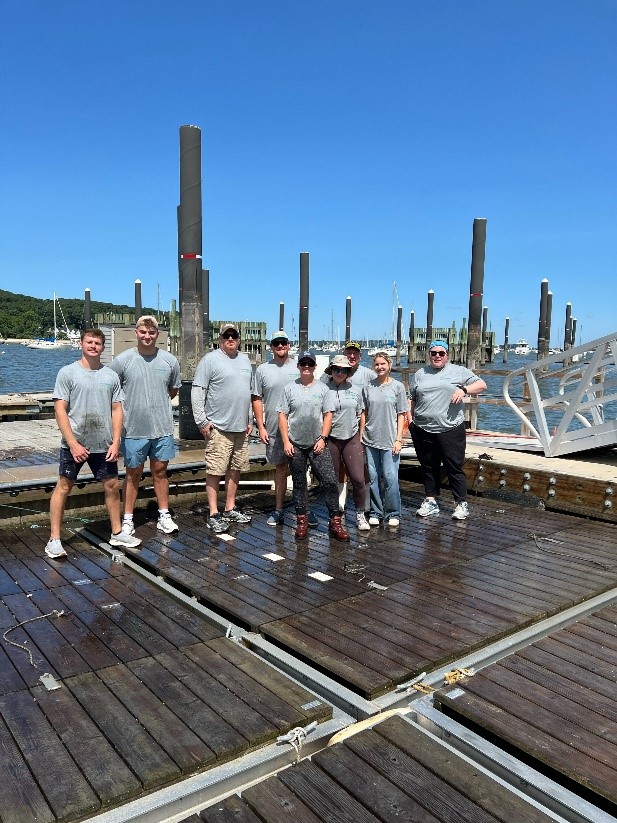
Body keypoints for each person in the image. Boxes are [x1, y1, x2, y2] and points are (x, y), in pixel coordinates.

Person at [45, 329, 142, 559]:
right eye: (89, 342)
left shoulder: (110, 376)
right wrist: (73, 443)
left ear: (103, 347)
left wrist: (116, 442)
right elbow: (60, 410)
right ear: (81, 344)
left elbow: (117, 410)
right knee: (64, 486)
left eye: (98, 343)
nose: (93, 346)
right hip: (75, 442)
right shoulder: (67, 373)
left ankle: (117, 532)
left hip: (103, 442)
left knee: (111, 486)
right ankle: (54, 539)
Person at [109, 315, 181, 536]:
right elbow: (111, 391)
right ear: (136, 333)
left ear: (157, 334)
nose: (147, 336)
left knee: (160, 472)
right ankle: (128, 518)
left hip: (162, 429)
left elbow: (173, 390)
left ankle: (164, 515)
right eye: (143, 332)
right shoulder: (122, 360)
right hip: (133, 430)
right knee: (133, 474)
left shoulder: (170, 361)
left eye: (152, 332)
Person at [410, 340, 487, 520]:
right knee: (428, 466)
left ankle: (461, 503)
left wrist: (464, 389)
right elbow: (412, 397)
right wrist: (410, 419)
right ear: (429, 354)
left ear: (447, 355)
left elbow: (482, 385)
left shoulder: (458, 371)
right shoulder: (420, 373)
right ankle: (431, 500)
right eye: (434, 353)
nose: (437, 356)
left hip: (450, 427)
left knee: (453, 465)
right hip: (422, 427)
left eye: (441, 353)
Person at [278, 351, 349, 541]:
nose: (306, 367)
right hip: (295, 444)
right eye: (303, 363)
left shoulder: (323, 389)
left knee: (329, 480)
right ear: (299, 366)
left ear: (315, 366)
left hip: (317, 443)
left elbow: (328, 414)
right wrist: (286, 441)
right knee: (299, 483)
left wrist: (323, 438)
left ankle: (335, 522)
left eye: (310, 363)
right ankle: (302, 522)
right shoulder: (288, 389)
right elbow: (282, 415)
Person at [191, 323, 253, 533]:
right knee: (215, 470)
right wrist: (201, 420)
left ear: (239, 338)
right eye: (226, 336)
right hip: (218, 427)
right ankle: (213, 513)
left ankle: (229, 507)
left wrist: (250, 419)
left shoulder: (245, 360)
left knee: (236, 468)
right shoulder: (210, 360)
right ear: (220, 339)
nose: (230, 338)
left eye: (234, 335)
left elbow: (248, 392)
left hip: (240, 428)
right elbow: (198, 390)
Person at [251, 330, 313, 527]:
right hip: (274, 428)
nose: (280, 346)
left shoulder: (298, 367)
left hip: (299, 429)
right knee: (279, 469)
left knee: (301, 471)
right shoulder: (262, 370)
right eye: (276, 343)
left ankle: (304, 510)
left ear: (288, 345)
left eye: (283, 342)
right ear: (271, 346)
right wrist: (260, 426)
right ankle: (278, 510)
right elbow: (256, 398)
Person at [360, 351, 408, 528]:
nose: (380, 367)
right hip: (370, 439)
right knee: (372, 477)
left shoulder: (397, 387)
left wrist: (399, 439)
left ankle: (393, 512)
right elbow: (363, 413)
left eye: (383, 364)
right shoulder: (368, 387)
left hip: (390, 440)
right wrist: (361, 436)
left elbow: (402, 414)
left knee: (390, 477)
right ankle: (375, 512)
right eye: (377, 364)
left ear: (389, 366)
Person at [323, 354, 368, 531]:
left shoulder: (356, 390)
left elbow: (361, 412)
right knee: (331, 480)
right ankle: (334, 515)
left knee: (358, 478)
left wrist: (361, 433)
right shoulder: (323, 389)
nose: (339, 372)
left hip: (351, 437)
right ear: (331, 371)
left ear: (348, 372)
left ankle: (360, 513)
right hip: (331, 439)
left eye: (343, 370)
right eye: (336, 369)